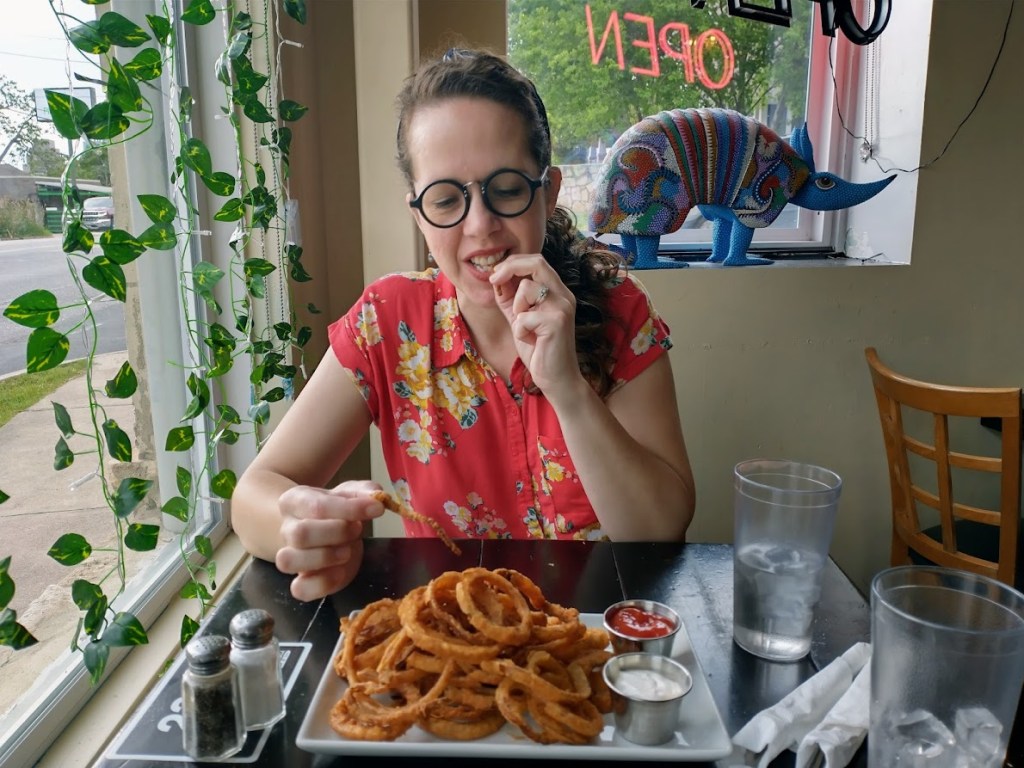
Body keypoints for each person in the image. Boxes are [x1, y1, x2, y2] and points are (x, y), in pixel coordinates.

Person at [232, 49, 695, 601]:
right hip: (451, 635)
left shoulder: (620, 308)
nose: (480, 225)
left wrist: (568, 389)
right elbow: (253, 495)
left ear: (547, 193)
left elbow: (661, 529)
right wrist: (300, 525)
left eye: (507, 189)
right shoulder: (387, 323)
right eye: (447, 199)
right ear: (419, 214)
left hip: (595, 632)